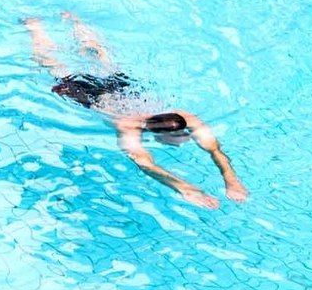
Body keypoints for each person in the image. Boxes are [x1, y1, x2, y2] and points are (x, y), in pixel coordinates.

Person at [28, 15, 247, 208]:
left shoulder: (185, 117)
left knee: (102, 57)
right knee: (54, 65)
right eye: (180, 136)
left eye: (185, 133)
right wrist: (185, 188)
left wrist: (231, 180)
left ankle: (74, 20)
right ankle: (35, 27)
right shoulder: (128, 127)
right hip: (91, 96)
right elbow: (144, 163)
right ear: (160, 135)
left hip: (121, 90)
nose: (187, 138)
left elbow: (214, 149)